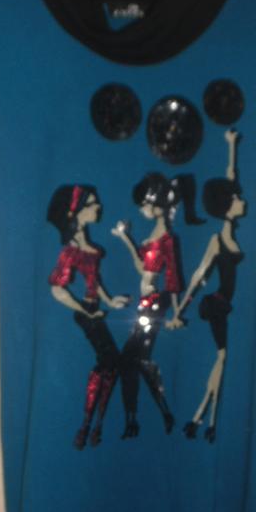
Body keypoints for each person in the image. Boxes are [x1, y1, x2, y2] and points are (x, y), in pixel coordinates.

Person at [168, 129, 245, 442]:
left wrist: (231, 146)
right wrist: (179, 311)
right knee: (222, 358)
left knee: (222, 358)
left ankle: (201, 418)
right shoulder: (217, 241)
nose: (241, 199)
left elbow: (231, 177)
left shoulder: (228, 232)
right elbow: (198, 277)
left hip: (221, 304)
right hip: (216, 304)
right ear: (226, 205)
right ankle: (204, 417)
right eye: (235, 198)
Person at [47, 184, 130, 449]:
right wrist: (85, 310)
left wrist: (109, 300)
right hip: (87, 313)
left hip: (94, 310)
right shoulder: (71, 250)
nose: (98, 207)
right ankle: (88, 425)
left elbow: (94, 279)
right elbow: (57, 288)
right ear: (77, 211)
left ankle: (94, 426)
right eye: (92, 204)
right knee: (109, 362)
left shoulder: (85, 245)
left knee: (111, 364)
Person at [111, 173, 185, 439]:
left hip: (154, 305)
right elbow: (141, 266)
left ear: (155, 204)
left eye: (144, 204)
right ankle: (144, 417)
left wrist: (176, 313)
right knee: (133, 361)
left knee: (136, 360)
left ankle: (155, 415)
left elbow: (172, 277)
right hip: (147, 304)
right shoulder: (156, 236)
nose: (142, 210)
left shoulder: (166, 239)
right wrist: (126, 239)